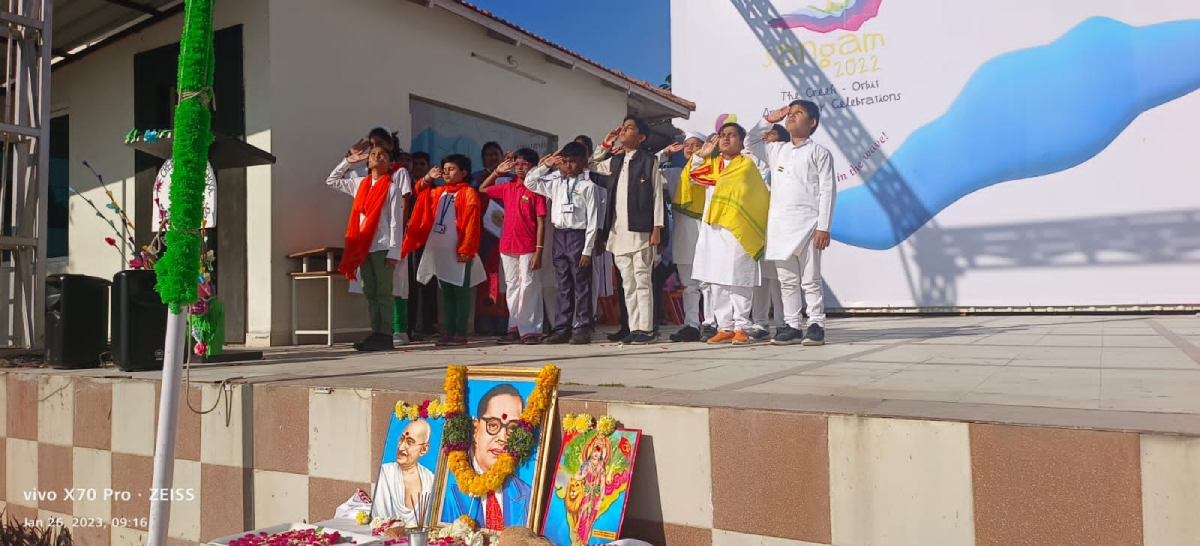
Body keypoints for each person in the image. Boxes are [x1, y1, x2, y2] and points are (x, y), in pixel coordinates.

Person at [746, 100, 836, 346]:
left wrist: (823, 227)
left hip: (809, 224)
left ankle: (816, 324)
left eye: (799, 113)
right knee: (787, 281)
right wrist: (769, 120)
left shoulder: (819, 152)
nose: (792, 116)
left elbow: (828, 190)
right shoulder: (776, 150)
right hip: (780, 225)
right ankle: (793, 325)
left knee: (811, 279)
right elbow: (750, 142)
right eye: (790, 113)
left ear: (813, 122)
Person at [686, 124, 770, 345]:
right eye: (722, 135)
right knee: (717, 280)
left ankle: (742, 326)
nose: (725, 139)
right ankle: (725, 327)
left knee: (739, 279)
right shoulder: (711, 165)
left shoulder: (746, 166)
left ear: (741, 142)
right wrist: (700, 157)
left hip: (738, 230)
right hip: (714, 229)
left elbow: (757, 198)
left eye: (732, 135)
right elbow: (692, 177)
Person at [327, 143, 411, 352]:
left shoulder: (392, 188)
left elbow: (395, 221)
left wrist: (394, 251)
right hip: (363, 246)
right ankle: (376, 332)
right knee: (370, 292)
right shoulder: (359, 184)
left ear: (390, 164)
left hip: (382, 246)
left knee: (383, 292)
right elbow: (332, 180)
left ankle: (386, 333)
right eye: (373, 154)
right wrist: (348, 162)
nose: (376, 157)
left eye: (382, 155)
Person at [590, 116, 666, 345]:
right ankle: (634, 327)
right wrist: (606, 144)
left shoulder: (649, 160)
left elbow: (657, 196)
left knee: (642, 280)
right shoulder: (615, 160)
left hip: (642, 231)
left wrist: (657, 229)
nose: (623, 131)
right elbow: (591, 165)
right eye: (623, 127)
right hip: (618, 232)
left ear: (641, 137)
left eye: (629, 128)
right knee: (627, 283)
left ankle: (647, 329)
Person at [403, 154, 485, 346]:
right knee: (446, 291)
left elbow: (472, 223)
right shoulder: (439, 192)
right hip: (439, 249)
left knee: (460, 291)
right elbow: (418, 191)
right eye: (445, 169)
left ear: (463, 172)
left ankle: (461, 332)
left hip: (459, 249)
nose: (447, 173)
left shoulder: (468, 193)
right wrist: (427, 178)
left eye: (452, 169)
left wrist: (467, 248)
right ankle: (449, 331)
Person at [525, 142, 600, 345]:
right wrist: (546, 165)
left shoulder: (588, 187)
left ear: (583, 162)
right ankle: (562, 327)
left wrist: (587, 250)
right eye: (564, 162)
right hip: (560, 235)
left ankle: (583, 327)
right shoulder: (556, 183)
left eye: (573, 162)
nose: (568, 166)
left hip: (578, 236)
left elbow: (593, 220)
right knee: (563, 284)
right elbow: (530, 182)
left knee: (581, 284)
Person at [479, 149, 547, 344]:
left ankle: (531, 330)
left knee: (529, 286)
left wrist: (539, 251)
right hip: (507, 244)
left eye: (524, 164)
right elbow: (483, 189)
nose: (519, 168)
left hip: (529, 245)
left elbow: (541, 222)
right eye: (516, 164)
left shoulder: (536, 190)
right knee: (512, 286)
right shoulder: (508, 186)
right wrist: (497, 172)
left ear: (533, 167)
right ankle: (514, 327)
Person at [442, 384, 533, 530]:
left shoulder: (527, 494)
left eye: (512, 428)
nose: (502, 438)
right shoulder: (446, 492)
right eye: (493, 425)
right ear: (475, 428)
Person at [659, 133, 708, 342]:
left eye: (696, 145)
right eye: (687, 145)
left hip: (707, 234)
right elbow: (647, 171)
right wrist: (664, 154)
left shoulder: (712, 171)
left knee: (708, 284)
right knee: (689, 285)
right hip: (684, 237)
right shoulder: (675, 174)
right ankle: (692, 325)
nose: (690, 148)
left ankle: (712, 323)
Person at [473, 142, 510, 337]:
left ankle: (504, 323)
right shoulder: (477, 179)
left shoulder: (511, 179)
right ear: (482, 159)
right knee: (485, 278)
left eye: (496, 154)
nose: (493, 158)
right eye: (488, 155)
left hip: (506, 234)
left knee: (504, 279)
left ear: (502, 156)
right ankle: (485, 323)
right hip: (485, 235)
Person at [372, 419, 435, 523]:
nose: (401, 447)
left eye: (410, 442)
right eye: (401, 439)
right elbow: (379, 519)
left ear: (423, 450)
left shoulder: (430, 480)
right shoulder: (385, 473)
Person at [407, 152, 440, 341]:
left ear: (428, 166)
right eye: (416, 164)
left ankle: (429, 324)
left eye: (423, 164)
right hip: (412, 241)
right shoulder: (408, 188)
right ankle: (410, 325)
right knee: (412, 283)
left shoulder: (437, 189)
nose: (419, 167)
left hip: (431, 240)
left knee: (430, 281)